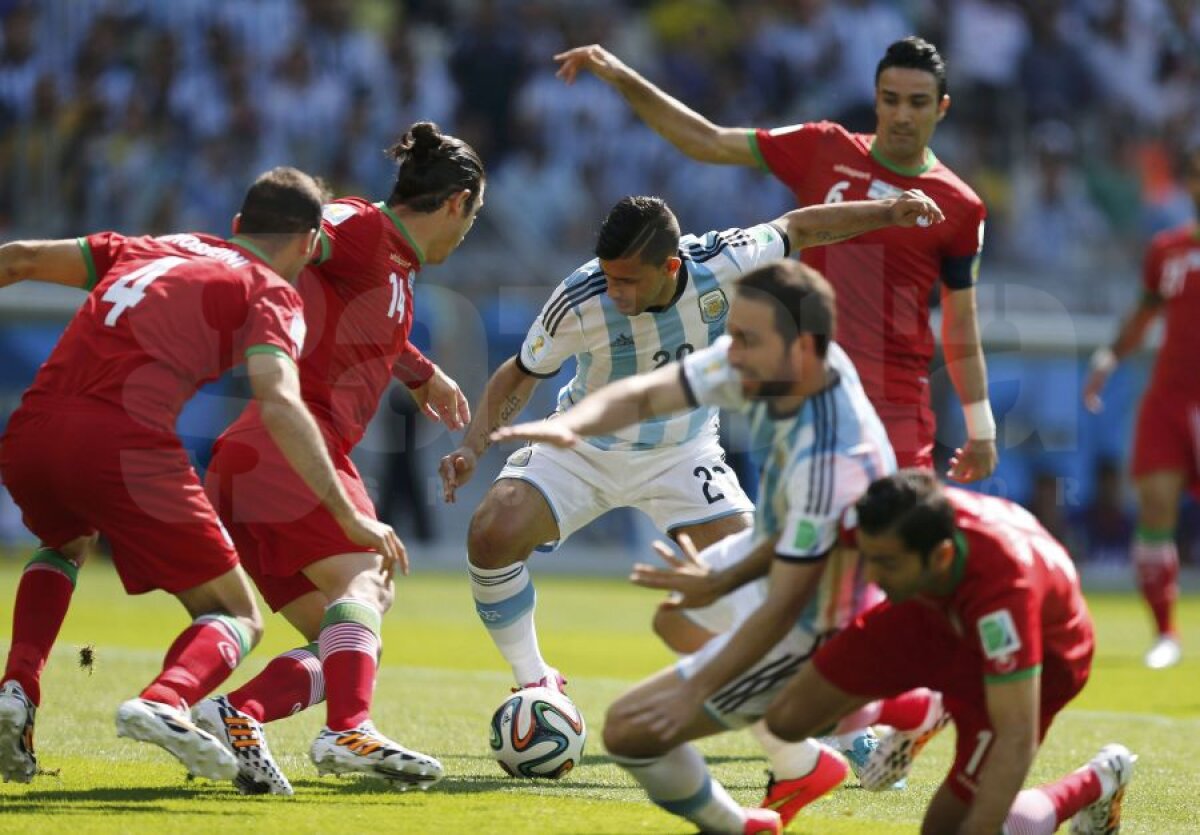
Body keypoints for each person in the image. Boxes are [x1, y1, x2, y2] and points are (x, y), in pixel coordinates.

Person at [441, 189, 942, 702]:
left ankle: (838, 723)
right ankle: (535, 680)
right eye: (609, 276)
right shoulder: (579, 298)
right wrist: (473, 447)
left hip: (684, 454)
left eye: (628, 281)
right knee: (491, 532)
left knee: (767, 585)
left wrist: (886, 212)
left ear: (670, 266)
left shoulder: (724, 260)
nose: (613, 291)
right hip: (585, 446)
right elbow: (523, 372)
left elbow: (800, 226)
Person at [494, 259, 937, 834]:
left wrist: (699, 690)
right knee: (678, 622)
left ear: (802, 348)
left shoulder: (835, 459)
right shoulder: (771, 360)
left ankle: (794, 762)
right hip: (785, 545)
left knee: (634, 730)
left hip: (818, 615)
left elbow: (783, 606)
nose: (731, 352)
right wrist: (574, 424)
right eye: (732, 334)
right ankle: (882, 714)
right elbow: (650, 392)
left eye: (745, 340)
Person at [0, 167, 404, 784]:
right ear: (307, 243)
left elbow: (21, 259)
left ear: (238, 225)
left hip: (29, 432)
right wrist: (349, 513)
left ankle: (17, 689)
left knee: (64, 543)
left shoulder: (150, 245)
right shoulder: (272, 291)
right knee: (238, 615)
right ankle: (166, 699)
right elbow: (278, 399)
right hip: (124, 444)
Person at [554, 36, 997, 481]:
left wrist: (982, 430)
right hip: (806, 391)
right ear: (876, 100)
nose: (902, 115)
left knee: (895, 542)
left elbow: (961, 322)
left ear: (941, 108)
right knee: (806, 543)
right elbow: (707, 141)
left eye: (917, 103)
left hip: (898, 402)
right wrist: (621, 76)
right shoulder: (824, 148)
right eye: (891, 100)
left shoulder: (961, 205)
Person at [196, 122, 481, 794]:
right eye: (474, 216)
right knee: (368, 577)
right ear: (457, 203)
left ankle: (236, 712)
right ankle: (348, 730)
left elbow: (363, 318)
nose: (469, 231)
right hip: (291, 442)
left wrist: (421, 372)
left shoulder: (396, 269)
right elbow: (284, 240)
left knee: (348, 635)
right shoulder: (358, 226)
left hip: (256, 459)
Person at [763, 471, 1135, 835]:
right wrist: (719, 584)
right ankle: (917, 710)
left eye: (885, 563)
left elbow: (1015, 735)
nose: (871, 578)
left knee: (952, 829)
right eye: (868, 558)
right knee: (788, 715)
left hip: (1045, 658)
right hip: (934, 604)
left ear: (940, 556)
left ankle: (1096, 781)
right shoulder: (901, 522)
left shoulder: (1003, 596)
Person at [1082, 143, 1200, 670]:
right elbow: (1144, 312)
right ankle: (1166, 634)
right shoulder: (1167, 249)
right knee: (1154, 501)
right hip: (1170, 396)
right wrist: (1109, 358)